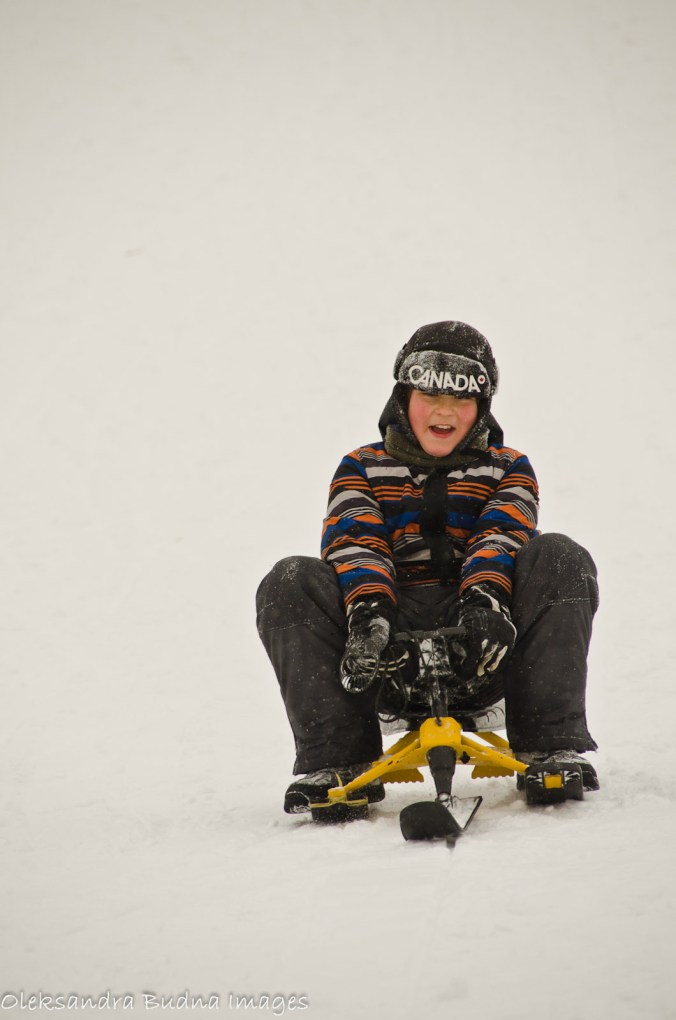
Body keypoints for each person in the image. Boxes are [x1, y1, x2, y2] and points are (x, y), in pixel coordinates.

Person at [256, 321, 599, 814]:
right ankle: (338, 762)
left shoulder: (509, 467)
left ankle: (549, 747)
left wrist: (484, 599)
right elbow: (357, 543)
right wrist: (369, 616)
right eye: (428, 395)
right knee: (290, 579)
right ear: (401, 398)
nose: (444, 411)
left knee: (561, 556)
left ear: (481, 409)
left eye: (461, 400)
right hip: (384, 650)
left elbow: (500, 536)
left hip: (486, 641)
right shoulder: (360, 466)